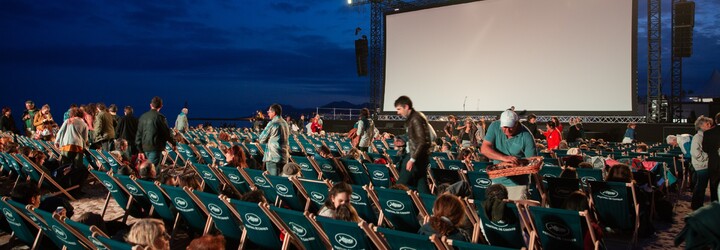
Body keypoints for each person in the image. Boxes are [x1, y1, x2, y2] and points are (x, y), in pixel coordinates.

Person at [481, 109, 536, 200]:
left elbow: (532, 161)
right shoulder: (494, 126)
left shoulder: (526, 136)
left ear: (517, 123)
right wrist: (504, 158)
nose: (507, 130)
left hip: (518, 184)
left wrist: (516, 164)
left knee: (516, 212)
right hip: (497, 180)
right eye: (504, 127)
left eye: (510, 127)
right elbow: (484, 148)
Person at [394, 96, 432, 194]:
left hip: (414, 157)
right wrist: (404, 142)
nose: (397, 112)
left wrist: (412, 159)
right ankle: (432, 208)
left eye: (399, 109)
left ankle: (394, 208)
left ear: (406, 107)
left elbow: (422, 141)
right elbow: (417, 138)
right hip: (421, 157)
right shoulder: (415, 117)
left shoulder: (415, 118)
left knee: (399, 187)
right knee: (422, 188)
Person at [136, 97, 175, 173]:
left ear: (151, 105)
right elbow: (167, 133)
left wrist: (140, 150)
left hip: (144, 147)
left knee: (146, 170)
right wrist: (173, 143)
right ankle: (151, 184)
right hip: (155, 147)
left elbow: (138, 134)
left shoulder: (143, 117)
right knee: (152, 170)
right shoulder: (160, 118)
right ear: (161, 106)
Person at [54, 107, 90, 184]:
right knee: (77, 167)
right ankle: (75, 183)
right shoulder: (84, 124)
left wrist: (57, 141)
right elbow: (85, 138)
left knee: (64, 165)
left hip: (66, 145)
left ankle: (64, 183)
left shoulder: (68, 121)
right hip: (78, 147)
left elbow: (60, 132)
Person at [258, 104, 290, 176]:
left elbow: (261, 139)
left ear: (274, 112)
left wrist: (269, 139)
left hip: (273, 157)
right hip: (284, 156)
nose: (268, 113)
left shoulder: (272, 123)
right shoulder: (285, 123)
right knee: (281, 182)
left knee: (273, 182)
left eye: (269, 111)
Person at [691, 116, 713, 210]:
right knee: (700, 187)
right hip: (701, 166)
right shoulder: (698, 137)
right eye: (707, 124)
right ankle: (696, 206)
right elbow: (695, 153)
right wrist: (708, 156)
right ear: (701, 126)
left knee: (702, 186)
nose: (710, 125)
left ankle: (697, 206)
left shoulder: (704, 136)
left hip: (704, 165)